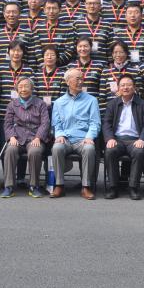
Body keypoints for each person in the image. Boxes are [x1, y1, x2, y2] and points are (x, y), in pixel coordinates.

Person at [49, 68, 100, 200]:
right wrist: (59, 135)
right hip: (66, 138)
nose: (80, 81)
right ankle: (59, 185)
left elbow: (95, 123)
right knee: (57, 147)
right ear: (67, 81)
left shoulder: (91, 100)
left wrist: (89, 137)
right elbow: (56, 123)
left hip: (83, 139)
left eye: (81, 79)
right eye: (77, 79)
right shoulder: (59, 102)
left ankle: (86, 186)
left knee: (89, 148)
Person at [102, 74, 144, 200]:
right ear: (118, 88)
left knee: (139, 152)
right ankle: (113, 187)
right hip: (117, 139)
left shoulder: (142, 104)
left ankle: (133, 187)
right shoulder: (112, 104)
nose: (125, 87)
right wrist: (109, 138)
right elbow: (106, 123)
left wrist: (142, 139)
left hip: (135, 140)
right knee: (110, 151)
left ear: (134, 87)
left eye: (129, 85)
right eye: (122, 85)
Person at [2, 76, 50, 198]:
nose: (23, 89)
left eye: (26, 86)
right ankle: (9, 186)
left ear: (32, 88)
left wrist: (38, 137)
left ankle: (34, 186)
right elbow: (7, 124)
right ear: (17, 89)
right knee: (10, 150)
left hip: (34, 137)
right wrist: (11, 137)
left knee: (35, 151)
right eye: (20, 87)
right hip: (17, 137)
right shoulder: (12, 105)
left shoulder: (41, 104)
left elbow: (45, 123)